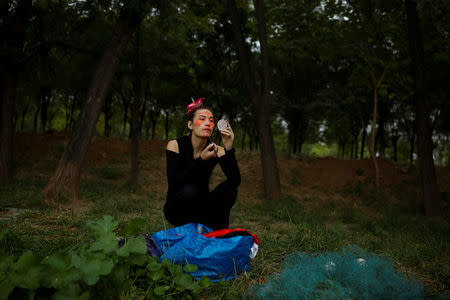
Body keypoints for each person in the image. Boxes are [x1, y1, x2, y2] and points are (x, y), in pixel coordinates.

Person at [164, 98, 241, 230]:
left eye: (211, 120)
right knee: (190, 190)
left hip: (202, 208)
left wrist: (228, 148)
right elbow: (175, 182)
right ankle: (192, 230)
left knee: (230, 190)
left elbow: (235, 181)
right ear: (190, 125)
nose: (208, 123)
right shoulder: (175, 145)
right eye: (202, 119)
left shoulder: (215, 149)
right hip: (177, 208)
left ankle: (218, 233)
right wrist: (201, 161)